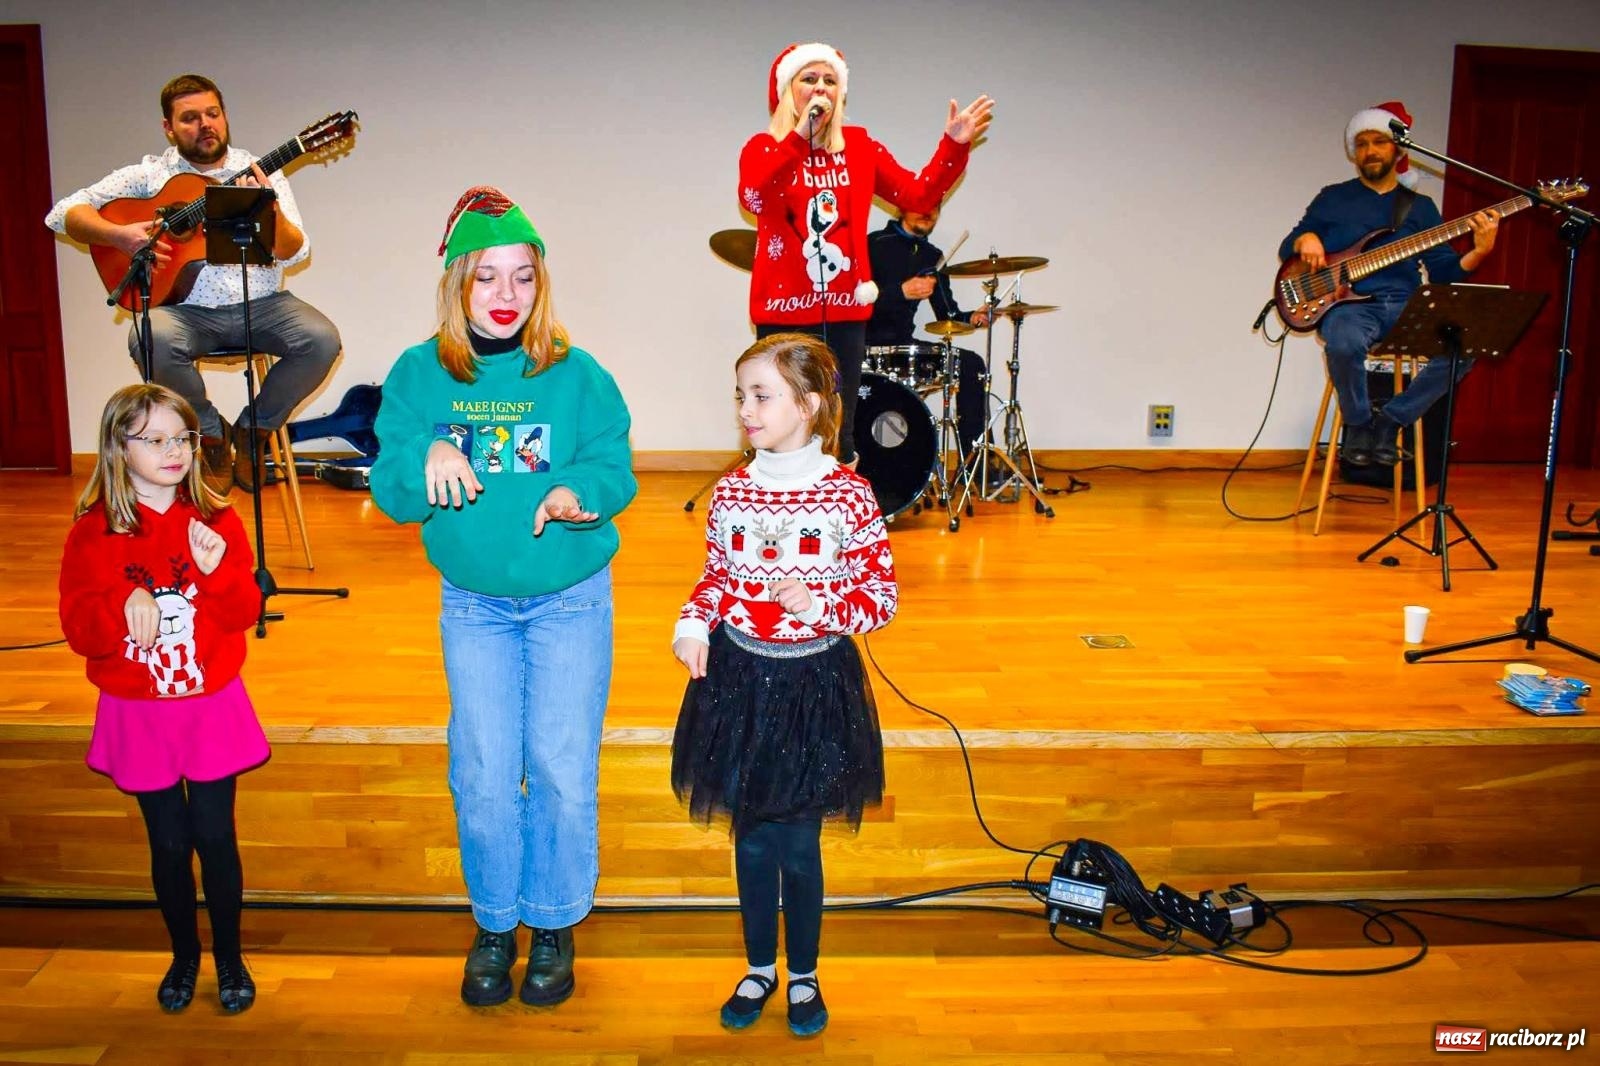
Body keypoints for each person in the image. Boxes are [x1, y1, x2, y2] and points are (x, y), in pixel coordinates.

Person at [369, 186, 636, 1009]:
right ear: (456, 283)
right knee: (483, 768)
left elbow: (613, 468)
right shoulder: (419, 375)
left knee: (559, 766)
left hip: (569, 598)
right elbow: (391, 491)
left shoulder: (576, 374)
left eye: (522, 278)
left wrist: (578, 495)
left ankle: (552, 922)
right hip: (475, 604)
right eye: (487, 278)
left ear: (541, 284)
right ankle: (494, 922)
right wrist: (424, 459)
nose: (506, 297)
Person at [671, 333, 898, 1038]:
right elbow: (715, 577)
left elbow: (881, 599)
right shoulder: (733, 492)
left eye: (761, 394)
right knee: (751, 836)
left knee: (797, 842)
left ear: (808, 404)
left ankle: (803, 973)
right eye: (740, 394)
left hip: (812, 686)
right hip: (739, 681)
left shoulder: (848, 494)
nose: (745, 408)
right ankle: (759, 966)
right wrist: (692, 624)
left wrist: (822, 606)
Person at [58, 383, 269, 1014]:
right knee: (170, 843)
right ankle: (184, 954)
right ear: (119, 450)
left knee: (215, 835)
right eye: (154, 440)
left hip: (208, 706)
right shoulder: (93, 534)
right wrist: (121, 604)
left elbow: (243, 613)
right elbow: (79, 631)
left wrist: (214, 573)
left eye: (182, 437)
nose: (174, 451)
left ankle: (229, 956)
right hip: (138, 711)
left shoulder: (217, 519)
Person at [45, 73, 342, 495]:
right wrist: (120, 236)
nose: (205, 124)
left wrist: (266, 207)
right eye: (189, 118)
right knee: (149, 336)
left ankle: (253, 430)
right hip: (184, 311)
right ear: (169, 127)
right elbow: (62, 213)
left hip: (262, 303)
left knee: (322, 339)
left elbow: (296, 252)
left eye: (212, 114)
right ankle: (209, 432)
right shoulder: (149, 176)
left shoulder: (260, 172)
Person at [740, 42, 993, 465]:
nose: (821, 88)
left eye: (830, 80)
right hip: (782, 310)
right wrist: (798, 140)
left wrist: (953, 147)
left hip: (844, 312)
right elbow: (754, 196)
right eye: (809, 79)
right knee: (781, 423)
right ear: (787, 90)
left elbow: (919, 194)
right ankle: (780, 519)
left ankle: (834, 521)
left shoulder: (858, 148)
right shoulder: (763, 148)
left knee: (839, 427)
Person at [1279, 101, 1499, 467]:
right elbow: (1291, 243)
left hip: (1404, 303)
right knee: (1344, 343)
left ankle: (1391, 422)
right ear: (1354, 153)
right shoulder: (1333, 197)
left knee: (1466, 344)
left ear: (1397, 148)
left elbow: (1444, 270)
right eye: (1362, 143)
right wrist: (1306, 241)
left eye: (1379, 142)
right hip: (1348, 305)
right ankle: (1359, 425)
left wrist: (1479, 251)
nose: (1370, 151)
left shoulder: (1419, 207)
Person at [866, 202, 992, 453]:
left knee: (971, 364)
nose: (928, 212)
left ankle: (976, 466)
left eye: (935, 207)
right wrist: (900, 292)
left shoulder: (933, 256)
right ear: (902, 206)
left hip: (903, 344)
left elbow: (947, 313)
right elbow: (851, 300)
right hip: (864, 344)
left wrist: (973, 317)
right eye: (921, 204)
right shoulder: (872, 244)